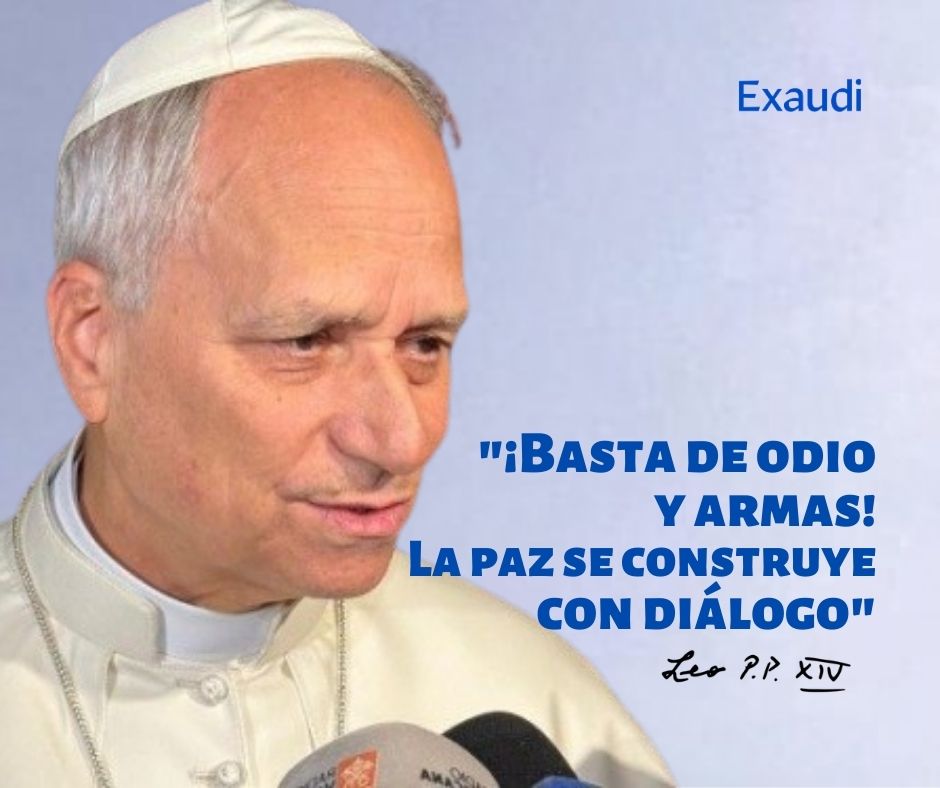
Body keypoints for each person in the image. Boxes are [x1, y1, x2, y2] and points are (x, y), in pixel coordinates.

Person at [0, 1, 674, 785]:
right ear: (94, 340)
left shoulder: (542, 702)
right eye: (307, 341)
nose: (402, 440)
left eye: (425, 344)